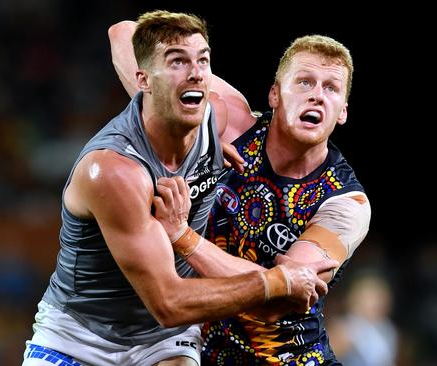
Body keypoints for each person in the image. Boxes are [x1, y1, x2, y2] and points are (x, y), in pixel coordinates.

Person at [22, 11, 337, 366]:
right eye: (177, 62)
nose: (196, 73)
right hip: (81, 336)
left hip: (164, 341)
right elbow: (168, 303)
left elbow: (122, 33)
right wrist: (276, 281)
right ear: (142, 79)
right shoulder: (113, 170)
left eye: (203, 60)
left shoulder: (212, 119)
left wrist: (211, 145)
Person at [112, 32, 372, 364]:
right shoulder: (233, 124)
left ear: (342, 112)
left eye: (331, 88)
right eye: (305, 82)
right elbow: (123, 34)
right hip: (197, 351)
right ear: (274, 94)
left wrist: (183, 237)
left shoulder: (345, 203)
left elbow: (275, 301)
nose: (317, 97)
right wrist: (183, 130)